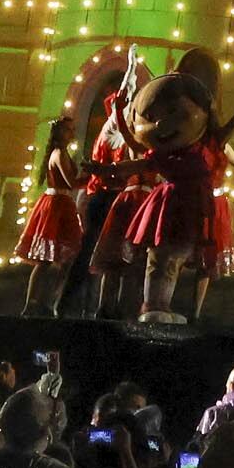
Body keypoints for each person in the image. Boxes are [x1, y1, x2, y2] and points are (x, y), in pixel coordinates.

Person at [116, 48, 234, 324]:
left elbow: (223, 144)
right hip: (172, 199)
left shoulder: (204, 134)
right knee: (160, 255)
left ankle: (177, 310)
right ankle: (152, 306)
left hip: (199, 202)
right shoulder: (170, 150)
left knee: (186, 257)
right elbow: (142, 156)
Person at [62, 51, 154, 318]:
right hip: (108, 199)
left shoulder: (125, 134)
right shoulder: (115, 130)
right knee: (104, 256)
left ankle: (101, 308)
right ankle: (87, 307)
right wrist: (131, 68)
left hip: (115, 199)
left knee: (115, 258)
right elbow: (126, 95)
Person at [17, 116, 87, 313]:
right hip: (56, 206)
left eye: (73, 129)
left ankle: (54, 300)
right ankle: (32, 302)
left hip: (64, 204)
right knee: (45, 260)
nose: (71, 133)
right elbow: (71, 183)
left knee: (65, 259)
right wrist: (93, 177)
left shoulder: (64, 153)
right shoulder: (58, 153)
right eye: (68, 130)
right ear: (58, 133)